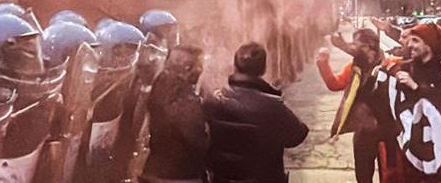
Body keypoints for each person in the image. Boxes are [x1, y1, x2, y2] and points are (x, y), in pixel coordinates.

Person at [203, 42, 308, 183]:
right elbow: (297, 135)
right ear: (263, 69)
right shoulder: (272, 106)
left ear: (235, 66)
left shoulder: (214, 100)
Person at [317, 28, 391, 183]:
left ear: (368, 46)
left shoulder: (390, 64)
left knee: (389, 174)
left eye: (356, 45)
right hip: (364, 130)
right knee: (363, 175)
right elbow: (335, 84)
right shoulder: (354, 67)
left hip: (388, 130)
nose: (352, 48)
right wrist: (323, 63)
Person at [143, 45, 208, 183]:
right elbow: (194, 135)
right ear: (187, 67)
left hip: (154, 169)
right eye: (199, 66)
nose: (201, 70)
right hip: (179, 174)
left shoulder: (160, 83)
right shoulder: (181, 94)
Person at [394, 23, 441, 95]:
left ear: (429, 45)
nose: (409, 45)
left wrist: (415, 87)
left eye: (415, 40)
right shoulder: (406, 68)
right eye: (410, 40)